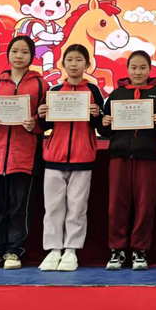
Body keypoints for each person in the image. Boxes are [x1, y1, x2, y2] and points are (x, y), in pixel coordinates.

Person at [100, 51, 156, 271]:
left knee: (145, 205)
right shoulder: (116, 94)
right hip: (119, 155)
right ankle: (117, 250)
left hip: (149, 156)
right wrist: (105, 122)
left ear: (150, 69)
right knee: (116, 204)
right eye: (133, 67)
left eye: (143, 68)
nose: (138, 72)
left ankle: (139, 250)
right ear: (127, 69)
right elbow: (105, 129)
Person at [0, 36, 48, 270]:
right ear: (8, 54)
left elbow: (47, 118)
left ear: (32, 56)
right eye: (15, 51)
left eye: (25, 52)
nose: (19, 56)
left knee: (19, 207)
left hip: (24, 156)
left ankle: (14, 252)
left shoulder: (41, 85)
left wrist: (35, 123)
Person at [36, 44, 104, 271]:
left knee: (77, 206)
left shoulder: (93, 91)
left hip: (83, 157)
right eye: (70, 60)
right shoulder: (54, 91)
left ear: (88, 64)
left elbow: (101, 125)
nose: (74, 64)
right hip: (54, 157)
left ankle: (71, 251)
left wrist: (97, 114)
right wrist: (41, 115)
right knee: (53, 206)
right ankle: (53, 251)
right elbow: (45, 126)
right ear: (62, 64)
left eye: (79, 60)